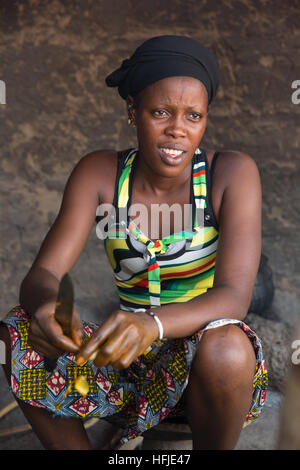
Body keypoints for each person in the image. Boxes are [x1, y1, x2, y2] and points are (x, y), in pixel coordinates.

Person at [0, 35, 268, 450]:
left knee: (229, 346)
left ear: (206, 119)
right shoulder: (100, 174)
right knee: (16, 330)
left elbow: (234, 296)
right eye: (160, 112)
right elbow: (45, 272)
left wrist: (153, 324)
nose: (178, 129)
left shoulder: (231, 174)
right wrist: (51, 308)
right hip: (121, 365)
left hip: (205, 370)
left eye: (193, 116)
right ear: (133, 112)